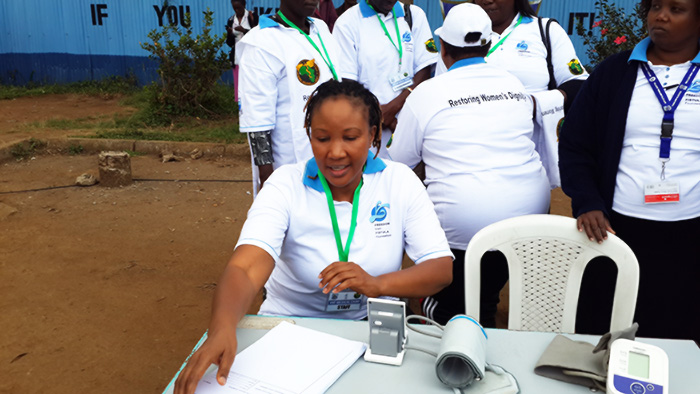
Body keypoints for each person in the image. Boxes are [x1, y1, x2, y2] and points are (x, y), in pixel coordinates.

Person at [173, 79, 454, 394]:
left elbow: (440, 268)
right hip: (286, 328)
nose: (335, 152)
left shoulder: (399, 182)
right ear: (309, 134)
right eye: (322, 138)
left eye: (351, 137)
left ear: (373, 134)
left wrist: (377, 284)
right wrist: (222, 327)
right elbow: (245, 267)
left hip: (369, 330)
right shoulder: (285, 186)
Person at [389, 3, 550, 326]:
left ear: (444, 50)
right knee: (486, 289)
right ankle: (483, 307)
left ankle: (451, 312)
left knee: (449, 309)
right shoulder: (514, 84)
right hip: (530, 220)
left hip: (464, 226)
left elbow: (400, 163)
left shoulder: (426, 93)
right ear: (488, 46)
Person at [559, 0, 700, 343]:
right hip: (616, 230)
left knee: (677, 331)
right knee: (605, 326)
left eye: (676, 9)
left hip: (690, 235)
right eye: (655, 6)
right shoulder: (614, 72)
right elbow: (576, 143)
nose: (660, 16)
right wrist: (588, 200)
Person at [237, 0, 341, 195]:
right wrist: (268, 182)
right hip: (290, 167)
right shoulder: (261, 43)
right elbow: (258, 122)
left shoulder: (321, 30)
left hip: (333, 159)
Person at [333, 0, 438, 158]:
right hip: (368, 132)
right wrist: (382, 116)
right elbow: (347, 84)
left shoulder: (414, 16)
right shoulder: (347, 23)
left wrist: (393, 109)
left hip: (409, 133)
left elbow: (424, 70)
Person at [225, 0, 257, 103]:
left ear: (244, 5)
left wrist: (244, 31)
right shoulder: (231, 20)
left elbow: (258, 36)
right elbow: (230, 43)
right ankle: (241, 111)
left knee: (251, 86)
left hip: (251, 58)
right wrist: (230, 34)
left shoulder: (252, 17)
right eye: (234, 8)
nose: (236, 10)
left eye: (238, 7)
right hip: (238, 58)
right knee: (239, 87)